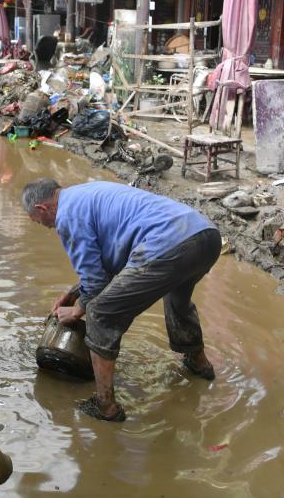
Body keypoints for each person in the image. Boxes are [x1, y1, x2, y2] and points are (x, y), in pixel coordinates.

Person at [22, 178, 221, 422]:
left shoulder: (66, 217)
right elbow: (111, 264)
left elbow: (96, 284)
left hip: (167, 244)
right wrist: (75, 292)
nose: (46, 227)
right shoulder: (84, 194)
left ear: (42, 208)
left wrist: (78, 310)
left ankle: (105, 405)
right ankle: (199, 363)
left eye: (39, 222)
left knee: (99, 313)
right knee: (177, 299)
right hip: (205, 236)